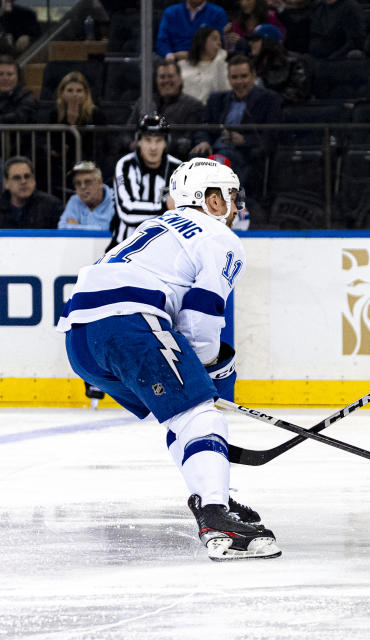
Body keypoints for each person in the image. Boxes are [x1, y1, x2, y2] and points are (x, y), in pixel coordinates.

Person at [56, 157, 281, 561]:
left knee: (183, 416)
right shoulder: (219, 237)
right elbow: (201, 317)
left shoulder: (155, 226)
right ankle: (216, 515)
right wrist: (213, 378)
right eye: (231, 197)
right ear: (211, 199)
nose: (237, 207)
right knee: (198, 412)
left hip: (80, 336)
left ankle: (213, 496)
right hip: (128, 324)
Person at [190, 55, 282, 203]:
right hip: (215, 149)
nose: (239, 82)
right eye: (234, 77)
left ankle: (229, 207)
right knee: (196, 158)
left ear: (253, 76)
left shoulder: (269, 100)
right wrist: (204, 141)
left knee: (223, 159)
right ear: (229, 78)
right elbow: (204, 126)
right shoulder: (217, 99)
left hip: (245, 153)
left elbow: (271, 136)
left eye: (244, 76)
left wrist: (245, 140)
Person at [110, 114, 182, 249]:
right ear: (138, 141)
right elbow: (128, 211)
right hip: (125, 247)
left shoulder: (179, 169)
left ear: (166, 142)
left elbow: (184, 213)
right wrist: (165, 207)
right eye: (148, 140)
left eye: (158, 140)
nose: (153, 147)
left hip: (166, 248)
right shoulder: (125, 165)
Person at [48, 71, 107, 175]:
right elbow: (55, 146)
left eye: (79, 91)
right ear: (62, 93)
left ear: (86, 94)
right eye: (70, 90)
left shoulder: (96, 114)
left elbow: (96, 146)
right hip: (61, 163)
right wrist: (69, 121)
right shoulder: (55, 114)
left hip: (89, 163)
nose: (74, 94)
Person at [152, 61, 208, 160]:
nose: (166, 81)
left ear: (180, 79)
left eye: (170, 76)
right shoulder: (146, 103)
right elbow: (126, 134)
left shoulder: (193, 106)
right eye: (162, 77)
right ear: (156, 80)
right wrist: (133, 144)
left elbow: (186, 143)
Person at [247, 23, 309, 103]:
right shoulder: (253, 63)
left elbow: (297, 93)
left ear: (268, 41)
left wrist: (268, 100)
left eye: (255, 40)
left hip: (286, 110)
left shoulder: (293, 61)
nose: (250, 43)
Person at [156, 0, 229, 61]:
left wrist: (193, 56)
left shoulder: (218, 13)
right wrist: (170, 55)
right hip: (174, 62)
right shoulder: (170, 12)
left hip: (205, 62)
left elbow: (218, 45)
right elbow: (162, 41)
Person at [0, 156, 61, 228]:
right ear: (6, 183)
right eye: (17, 178)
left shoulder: (52, 206)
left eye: (27, 176)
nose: (23, 181)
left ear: (34, 179)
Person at [179, 26, 231, 105]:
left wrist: (219, 60)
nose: (219, 43)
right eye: (214, 39)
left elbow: (225, 91)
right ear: (202, 41)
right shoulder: (182, 65)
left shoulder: (223, 66)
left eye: (220, 40)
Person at [57, 161, 115, 230]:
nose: (83, 187)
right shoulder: (75, 200)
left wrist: (76, 227)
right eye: (78, 183)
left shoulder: (116, 201)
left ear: (100, 182)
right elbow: (62, 227)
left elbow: (114, 231)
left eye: (88, 182)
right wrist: (99, 228)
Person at [0, 54, 37, 125]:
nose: (5, 78)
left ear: (18, 77)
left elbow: (19, 118)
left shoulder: (28, 97)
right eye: (0, 74)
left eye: (10, 74)